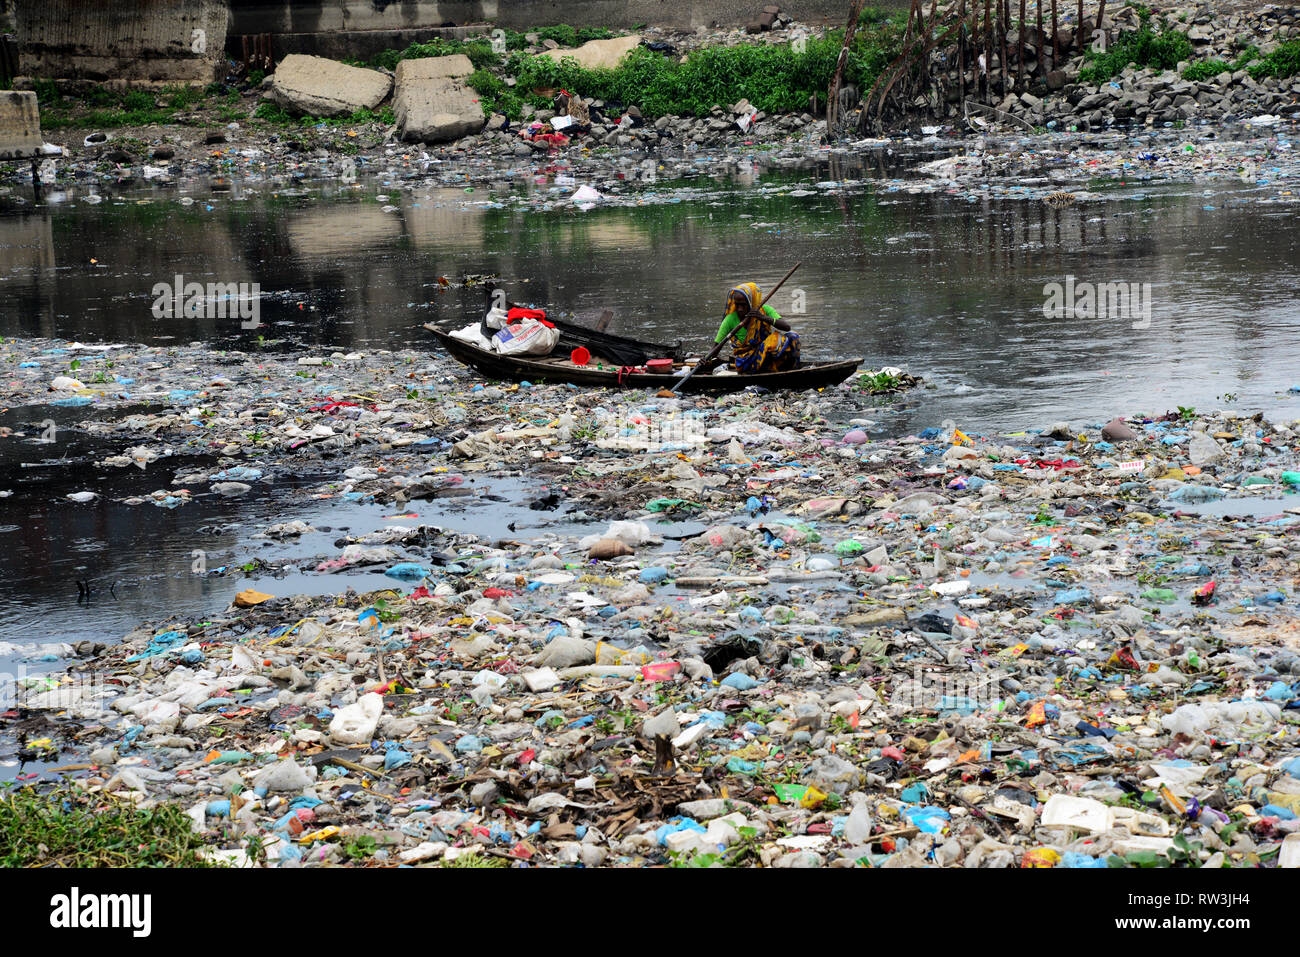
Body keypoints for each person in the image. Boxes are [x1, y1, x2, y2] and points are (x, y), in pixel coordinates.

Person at [713, 281, 800, 374]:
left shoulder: (765, 310)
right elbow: (716, 347)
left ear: (752, 302)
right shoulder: (730, 319)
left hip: (767, 357)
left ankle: (793, 370)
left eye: (743, 304)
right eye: (737, 304)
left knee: (792, 336)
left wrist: (762, 317)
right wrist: (706, 359)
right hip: (747, 363)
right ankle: (765, 372)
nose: (740, 309)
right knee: (772, 342)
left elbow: (786, 327)